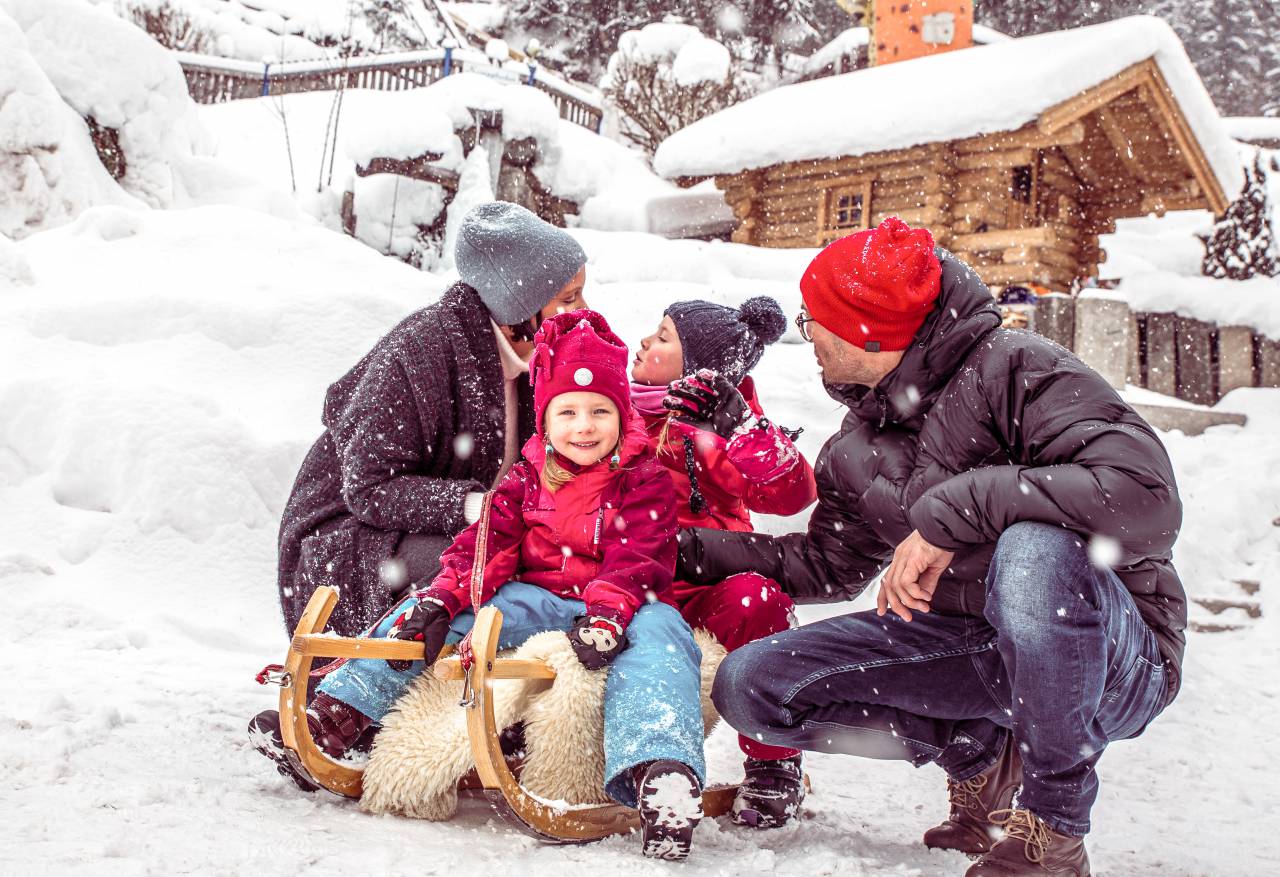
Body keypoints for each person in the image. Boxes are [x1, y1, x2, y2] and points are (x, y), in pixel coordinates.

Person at [681, 217, 1186, 876]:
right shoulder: (862, 437)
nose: (807, 333)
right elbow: (827, 563)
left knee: (1034, 550)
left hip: (1114, 654)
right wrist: (680, 547)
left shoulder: (1020, 369)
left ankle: (1053, 829)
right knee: (753, 686)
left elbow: (1145, 497)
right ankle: (981, 752)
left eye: (816, 319)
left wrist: (956, 512)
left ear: (869, 334)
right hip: (973, 649)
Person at [256, 310, 709, 861]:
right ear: (546, 417)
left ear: (622, 416)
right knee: (443, 614)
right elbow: (484, 548)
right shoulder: (526, 477)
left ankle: (659, 773)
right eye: (567, 412)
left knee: (664, 639)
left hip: (627, 605)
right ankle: (338, 713)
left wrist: (610, 616)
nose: (583, 427)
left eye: (599, 411)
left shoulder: (643, 479)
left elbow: (637, 557)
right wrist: (443, 597)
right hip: (537, 597)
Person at [276, 201, 587, 640]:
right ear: (521, 305)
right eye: (568, 299)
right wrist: (476, 507)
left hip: (470, 532)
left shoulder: (542, 360)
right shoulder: (421, 353)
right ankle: (359, 696)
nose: (584, 310)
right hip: (349, 545)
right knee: (484, 573)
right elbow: (367, 488)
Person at [629, 297, 817, 828]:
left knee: (759, 602)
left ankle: (773, 762)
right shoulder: (611, 409)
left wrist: (736, 425)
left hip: (706, 579)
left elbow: (790, 492)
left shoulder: (723, 426)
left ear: (697, 366)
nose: (644, 341)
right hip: (631, 578)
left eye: (663, 337)